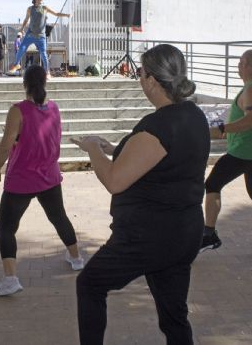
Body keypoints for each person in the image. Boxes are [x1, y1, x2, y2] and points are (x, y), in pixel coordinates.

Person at [72, 44, 210, 344]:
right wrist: (113, 149)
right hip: (183, 231)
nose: (139, 79)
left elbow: (114, 180)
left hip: (149, 236)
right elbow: (164, 159)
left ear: (150, 80)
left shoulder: (158, 125)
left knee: (90, 284)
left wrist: (94, 149)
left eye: (140, 73)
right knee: (174, 316)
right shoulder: (194, 115)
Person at [0, 65, 84, 296]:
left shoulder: (17, 110)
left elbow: (5, 145)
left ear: (24, 84)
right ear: (45, 82)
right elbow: (46, 139)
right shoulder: (54, 108)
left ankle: (10, 278)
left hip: (21, 178)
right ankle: (76, 258)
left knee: (6, 227)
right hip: (49, 177)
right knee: (59, 218)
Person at [200, 49, 252, 256]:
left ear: (247, 65)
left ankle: (209, 235)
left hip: (244, 152)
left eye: (240, 62)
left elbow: (250, 121)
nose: (238, 66)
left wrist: (221, 130)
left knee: (212, 185)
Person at [7, 0, 70, 77]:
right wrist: (22, 28)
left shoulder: (44, 8)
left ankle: (47, 72)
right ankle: (16, 64)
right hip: (30, 34)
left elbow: (56, 14)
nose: (41, 1)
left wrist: (66, 15)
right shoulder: (30, 9)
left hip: (41, 36)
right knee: (21, 48)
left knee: (43, 54)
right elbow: (26, 19)